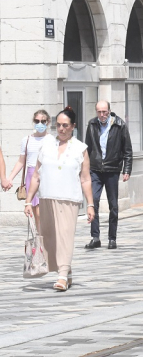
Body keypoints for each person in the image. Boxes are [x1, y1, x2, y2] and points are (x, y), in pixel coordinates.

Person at [24, 107, 95, 291]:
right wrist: (28, 200)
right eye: (59, 125)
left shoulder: (81, 148)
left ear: (73, 126)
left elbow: (85, 179)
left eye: (65, 125)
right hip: (46, 197)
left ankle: (62, 275)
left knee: (65, 236)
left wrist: (91, 205)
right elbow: (36, 177)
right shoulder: (45, 146)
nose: (61, 129)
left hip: (69, 199)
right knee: (50, 238)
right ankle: (67, 271)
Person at [83, 101, 133, 250]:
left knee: (113, 205)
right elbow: (87, 149)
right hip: (95, 169)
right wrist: (84, 169)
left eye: (104, 112)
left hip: (112, 169)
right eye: (99, 112)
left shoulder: (120, 125)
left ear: (109, 111)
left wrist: (127, 170)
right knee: (94, 201)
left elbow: (127, 150)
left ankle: (112, 238)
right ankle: (95, 237)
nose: (102, 115)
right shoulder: (92, 124)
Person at [6, 110, 55, 231]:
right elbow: (21, 161)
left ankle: (46, 239)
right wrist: (10, 178)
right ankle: (40, 240)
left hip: (46, 176)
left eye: (43, 121)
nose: (40, 123)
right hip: (31, 175)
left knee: (45, 213)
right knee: (36, 212)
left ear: (48, 122)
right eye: (37, 121)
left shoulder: (51, 140)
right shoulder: (27, 140)